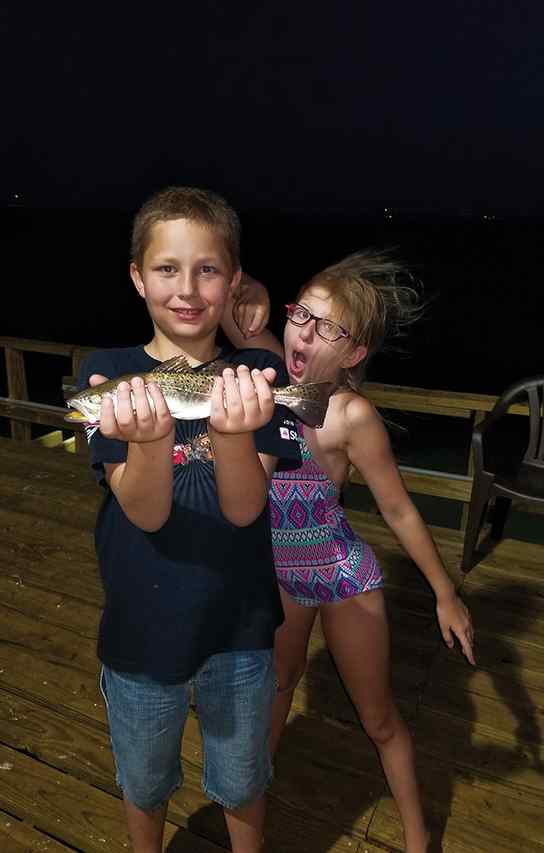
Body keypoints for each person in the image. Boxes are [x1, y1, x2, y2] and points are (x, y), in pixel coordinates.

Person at [221, 250, 476, 853]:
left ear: (356, 353)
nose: (303, 334)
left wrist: (446, 594)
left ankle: (418, 837)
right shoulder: (265, 376)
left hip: (340, 574)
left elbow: (399, 510)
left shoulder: (353, 416)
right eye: (300, 316)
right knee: (280, 684)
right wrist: (254, 282)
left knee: (379, 718)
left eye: (328, 328)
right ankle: (253, 793)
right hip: (280, 574)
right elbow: (231, 296)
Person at [78, 186, 301, 853]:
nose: (187, 287)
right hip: (142, 633)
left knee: (241, 779)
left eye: (207, 268)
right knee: (145, 782)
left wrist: (235, 432)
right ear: (138, 277)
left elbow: (246, 507)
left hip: (241, 627)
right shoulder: (108, 374)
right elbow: (144, 511)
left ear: (232, 281)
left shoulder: (259, 369)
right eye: (167, 268)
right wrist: (148, 439)